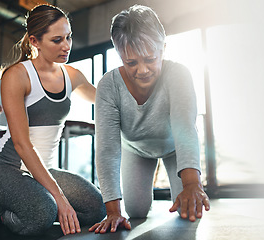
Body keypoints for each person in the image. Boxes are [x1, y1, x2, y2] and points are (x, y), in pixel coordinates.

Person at [0, 4, 105, 236]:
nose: (66, 46)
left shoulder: (72, 75)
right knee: (41, 216)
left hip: (43, 171)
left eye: (69, 37)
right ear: (34, 41)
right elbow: (21, 144)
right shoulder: (17, 75)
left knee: (95, 207)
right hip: (5, 169)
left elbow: (104, 98)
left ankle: (40, 202)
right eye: (57, 40)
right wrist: (59, 198)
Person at [89, 5, 210, 234]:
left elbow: (185, 128)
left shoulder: (179, 75)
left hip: (174, 147)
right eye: (131, 62)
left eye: (149, 59)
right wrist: (113, 210)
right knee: (136, 211)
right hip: (135, 149)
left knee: (188, 210)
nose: (142, 70)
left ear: (163, 49)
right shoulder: (108, 86)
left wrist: (193, 184)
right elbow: (107, 149)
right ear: (119, 55)